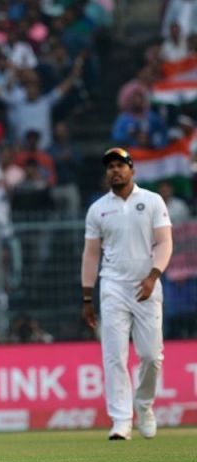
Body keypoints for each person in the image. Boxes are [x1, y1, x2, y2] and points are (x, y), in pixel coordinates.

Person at [81, 147, 173, 440]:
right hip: (113, 288)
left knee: (150, 356)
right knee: (114, 356)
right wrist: (87, 297)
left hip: (146, 284)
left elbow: (165, 244)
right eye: (110, 167)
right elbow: (91, 255)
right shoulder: (98, 209)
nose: (115, 171)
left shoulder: (152, 201)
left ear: (132, 170)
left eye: (121, 165)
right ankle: (121, 420)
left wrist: (153, 276)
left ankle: (144, 405)